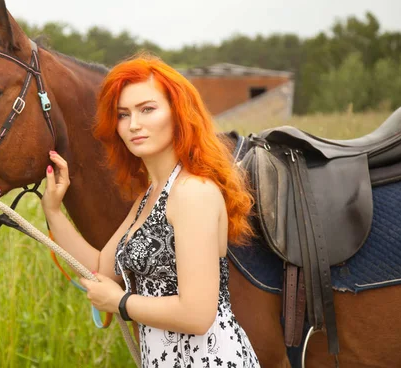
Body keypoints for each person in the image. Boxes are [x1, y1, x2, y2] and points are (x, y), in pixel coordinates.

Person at [41, 54, 260, 368]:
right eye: (123, 114)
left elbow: (198, 314)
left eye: (147, 109)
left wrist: (121, 303)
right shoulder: (150, 196)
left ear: (178, 114)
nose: (134, 125)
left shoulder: (192, 193)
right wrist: (54, 212)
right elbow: (102, 268)